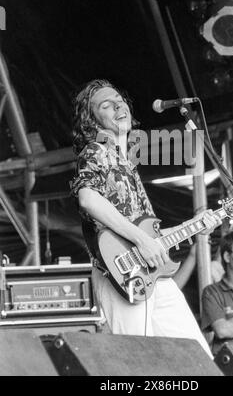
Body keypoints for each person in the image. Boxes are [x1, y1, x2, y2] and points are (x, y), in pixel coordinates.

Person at [70, 78, 221, 358]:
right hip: (121, 272)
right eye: (106, 105)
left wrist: (193, 227)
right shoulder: (96, 151)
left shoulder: (126, 161)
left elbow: (149, 234)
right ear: (92, 121)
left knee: (199, 356)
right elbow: (88, 199)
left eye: (119, 100)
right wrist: (142, 241)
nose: (118, 106)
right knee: (137, 361)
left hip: (152, 272)